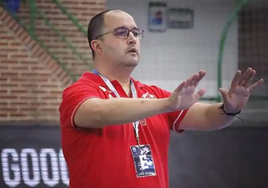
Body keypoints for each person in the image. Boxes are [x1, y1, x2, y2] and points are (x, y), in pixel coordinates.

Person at [58, 9, 264, 188]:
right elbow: (99, 112)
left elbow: (208, 116)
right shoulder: (78, 92)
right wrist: (165, 105)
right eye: (121, 33)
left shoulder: (153, 95)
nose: (132, 39)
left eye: (136, 33)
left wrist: (231, 109)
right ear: (97, 46)